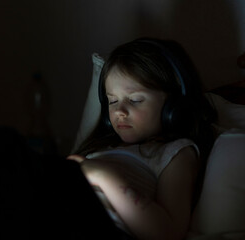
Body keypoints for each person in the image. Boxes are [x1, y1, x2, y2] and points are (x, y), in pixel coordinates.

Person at [68, 37, 217, 240]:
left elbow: (168, 232)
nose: (119, 111)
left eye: (135, 99)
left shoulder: (175, 152)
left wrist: (103, 176)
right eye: (112, 101)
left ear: (173, 106)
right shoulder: (101, 145)